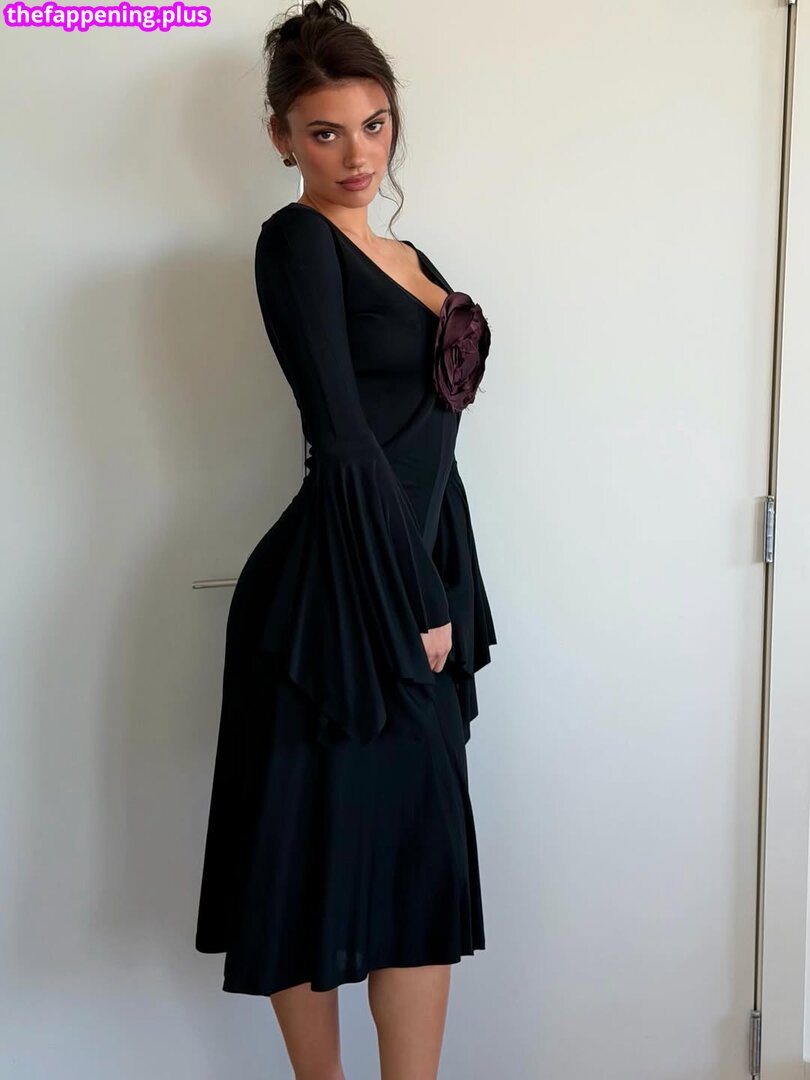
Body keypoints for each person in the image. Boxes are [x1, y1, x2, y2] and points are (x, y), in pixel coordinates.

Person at [195, 2, 497, 1076]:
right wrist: (415, 601)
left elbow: (433, 448)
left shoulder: (412, 254)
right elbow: (346, 440)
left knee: (418, 867)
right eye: (324, 132)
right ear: (281, 137)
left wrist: (452, 588)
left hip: (416, 578)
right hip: (331, 596)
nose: (356, 154)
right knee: (306, 860)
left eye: (373, 125)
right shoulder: (294, 242)